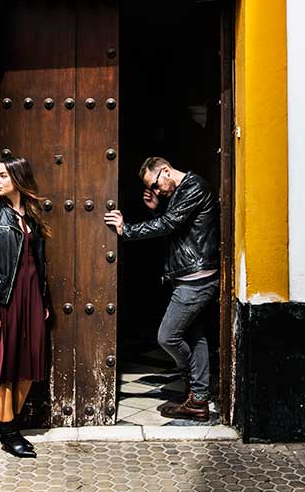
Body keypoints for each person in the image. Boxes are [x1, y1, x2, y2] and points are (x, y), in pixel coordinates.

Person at [103, 157, 219, 421]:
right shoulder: (183, 190)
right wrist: (156, 210)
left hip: (196, 279)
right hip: (192, 275)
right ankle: (199, 400)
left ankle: (192, 381)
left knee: (167, 336)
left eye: (155, 185)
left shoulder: (193, 186)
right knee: (196, 337)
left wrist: (126, 230)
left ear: (165, 171)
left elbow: (170, 225)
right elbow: (177, 227)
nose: (156, 191)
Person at [0, 156, 51, 458]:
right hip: (5, 297)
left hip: (31, 296)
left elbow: (40, 263)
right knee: (4, 366)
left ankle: (11, 424)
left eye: (3, 175)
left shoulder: (32, 216)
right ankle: (8, 432)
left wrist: (44, 301)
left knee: (30, 364)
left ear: (18, 178)